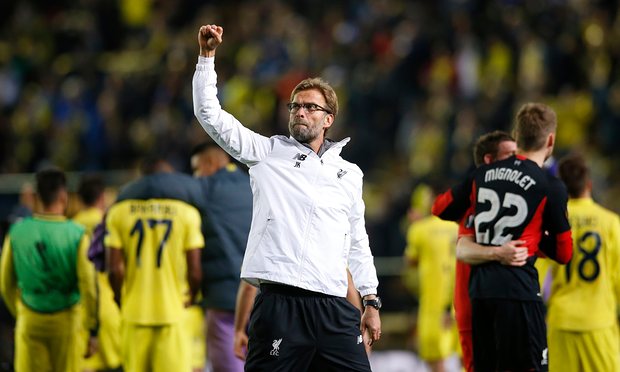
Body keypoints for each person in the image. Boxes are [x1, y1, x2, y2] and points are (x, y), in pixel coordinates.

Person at [193, 24, 380, 371]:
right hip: (280, 306)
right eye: (295, 106)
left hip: (334, 308)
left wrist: (370, 299)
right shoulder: (267, 153)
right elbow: (211, 116)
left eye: (310, 107)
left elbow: (357, 240)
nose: (300, 112)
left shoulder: (349, 174)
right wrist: (207, 58)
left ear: (329, 119)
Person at [455, 103, 573, 371]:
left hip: (480, 295)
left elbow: (462, 242)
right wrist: (536, 236)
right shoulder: (549, 185)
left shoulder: (482, 177)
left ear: (516, 138)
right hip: (520, 292)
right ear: (551, 140)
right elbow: (565, 253)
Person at [106, 157, 204, 372]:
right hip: (174, 313)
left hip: (134, 312)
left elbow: (114, 269)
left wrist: (118, 297)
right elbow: (195, 270)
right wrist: (193, 295)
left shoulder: (118, 213)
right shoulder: (187, 214)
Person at [431, 130, 517, 372]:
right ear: (489, 161)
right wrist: (476, 180)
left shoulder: (520, 199)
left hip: (510, 298)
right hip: (471, 301)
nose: (516, 161)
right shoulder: (470, 199)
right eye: (510, 154)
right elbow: (438, 207)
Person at [0, 168, 97, 372]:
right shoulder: (77, 234)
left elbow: (5, 282)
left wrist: (20, 311)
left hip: (30, 320)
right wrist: (92, 328)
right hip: (67, 323)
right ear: (63, 196)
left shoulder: (17, 232)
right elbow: (88, 283)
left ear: (36, 197)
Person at [543, 153, 620, 372]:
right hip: (599, 322)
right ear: (589, 183)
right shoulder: (610, 222)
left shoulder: (552, 223)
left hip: (561, 321)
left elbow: (538, 274)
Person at [190, 142, 253, 372]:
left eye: (196, 169)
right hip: (261, 297)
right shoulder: (254, 184)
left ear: (210, 163)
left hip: (223, 300)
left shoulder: (204, 188)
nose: (195, 176)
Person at [405, 183, 459, 372]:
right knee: (465, 356)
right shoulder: (456, 226)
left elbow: (410, 261)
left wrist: (414, 225)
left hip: (433, 303)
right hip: (459, 299)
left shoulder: (419, 229)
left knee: (434, 358)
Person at [73, 174, 122, 372]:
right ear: (102, 197)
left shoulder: (71, 228)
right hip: (110, 308)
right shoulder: (111, 224)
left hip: (82, 311)